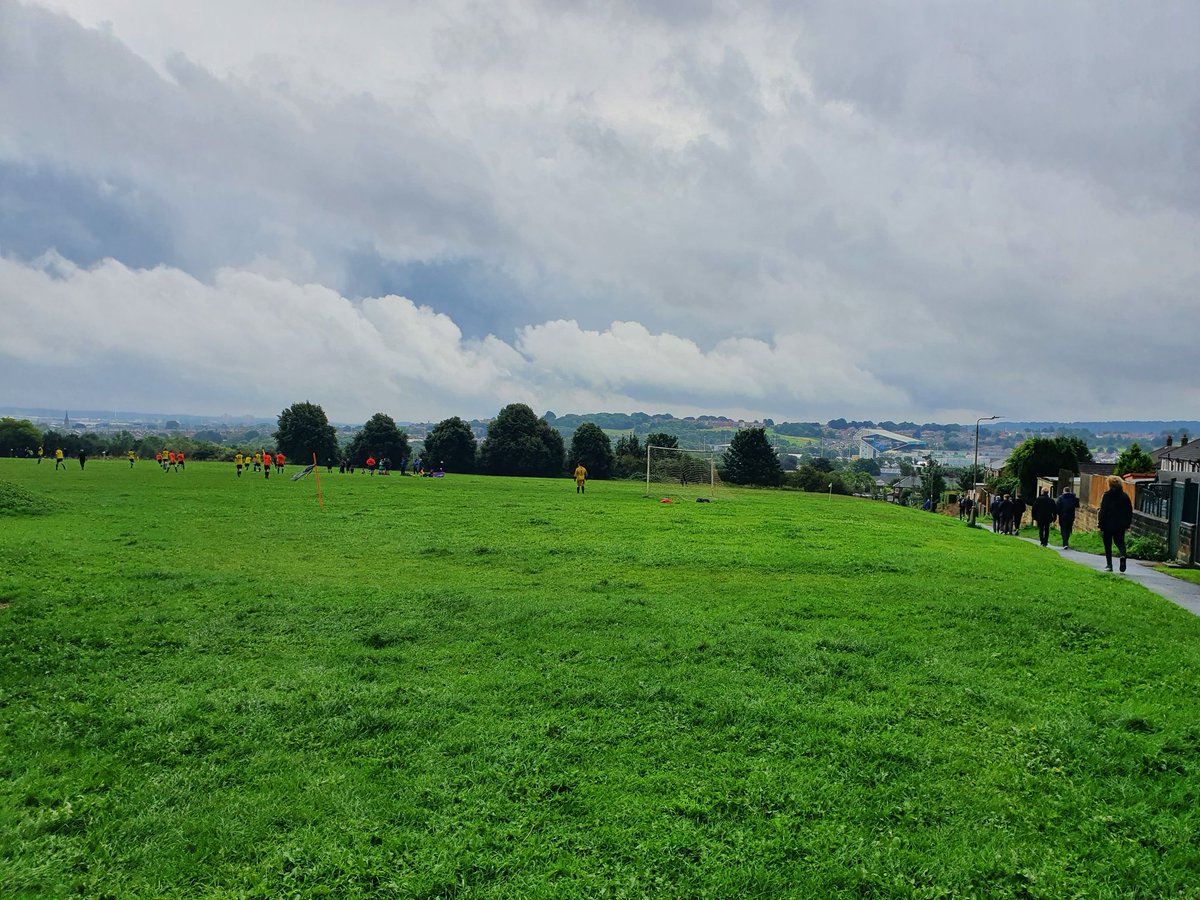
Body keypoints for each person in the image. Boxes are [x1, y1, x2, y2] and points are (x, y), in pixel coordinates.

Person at [1098, 475, 1134, 572]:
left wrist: (1100, 524)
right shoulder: (1125, 496)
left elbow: (1103, 511)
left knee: (1108, 544)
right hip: (1120, 525)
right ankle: (1122, 556)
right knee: (1120, 543)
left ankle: (1109, 565)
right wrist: (1127, 524)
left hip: (1108, 525)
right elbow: (1129, 511)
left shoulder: (1106, 496)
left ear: (1109, 484)